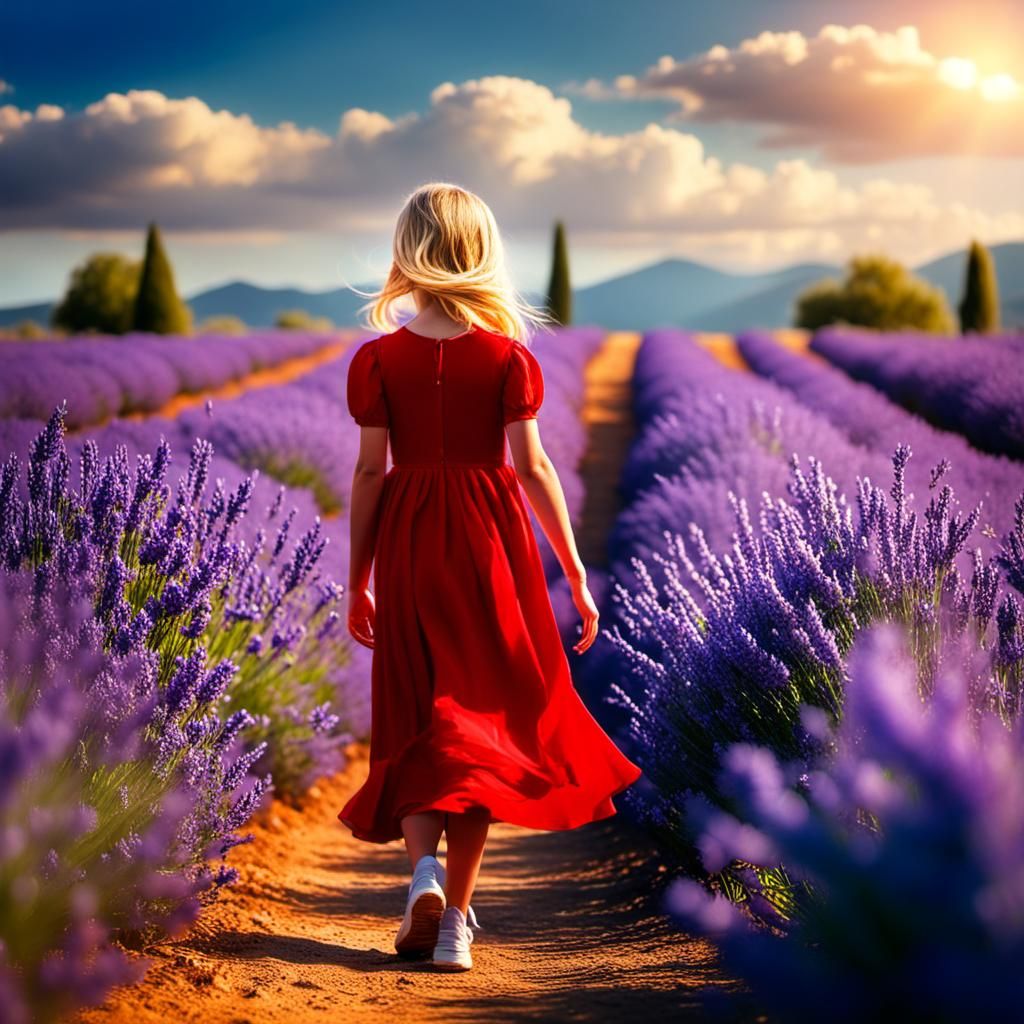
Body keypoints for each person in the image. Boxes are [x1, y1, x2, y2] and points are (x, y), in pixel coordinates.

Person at [338, 182, 642, 972]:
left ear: (407, 250)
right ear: (479, 252)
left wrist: (357, 577)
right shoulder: (511, 358)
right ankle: (454, 925)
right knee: (482, 724)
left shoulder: (377, 361)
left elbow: (370, 475)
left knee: (415, 713)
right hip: (489, 542)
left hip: (408, 539)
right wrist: (573, 570)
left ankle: (423, 874)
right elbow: (532, 466)